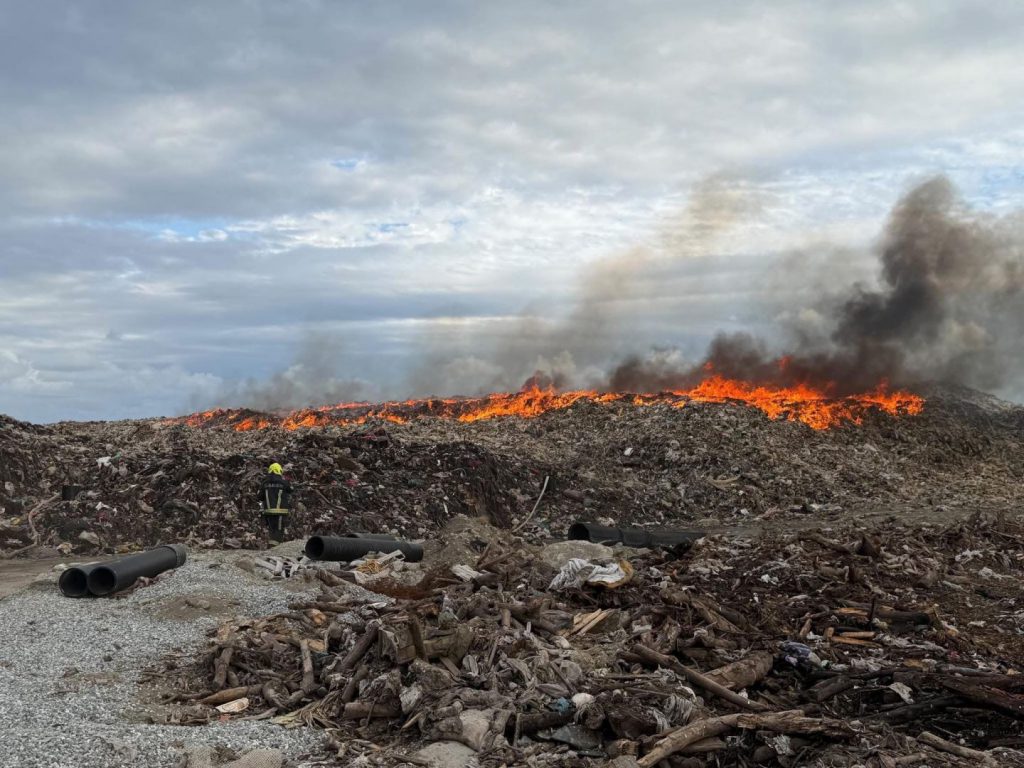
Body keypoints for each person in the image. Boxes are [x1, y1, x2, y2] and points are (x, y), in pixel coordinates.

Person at [259, 462, 293, 542]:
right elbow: (291, 490)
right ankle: (277, 548)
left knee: (272, 529)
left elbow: (260, 497)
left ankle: (271, 546)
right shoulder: (283, 482)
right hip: (281, 511)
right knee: (279, 530)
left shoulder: (264, 483)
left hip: (269, 512)